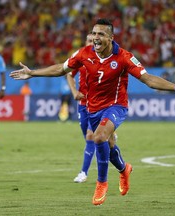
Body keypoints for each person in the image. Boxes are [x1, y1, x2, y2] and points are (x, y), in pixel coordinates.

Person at [9, 19, 175, 205]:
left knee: (99, 137)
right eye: (93, 33)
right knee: (109, 147)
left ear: (111, 38)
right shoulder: (84, 53)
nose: (95, 37)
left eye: (100, 34)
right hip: (92, 108)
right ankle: (124, 169)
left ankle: (101, 183)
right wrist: (32, 73)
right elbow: (61, 69)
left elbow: (148, 79)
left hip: (116, 106)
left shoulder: (125, 57)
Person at [67, 34, 118, 183]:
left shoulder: (106, 59)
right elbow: (69, 74)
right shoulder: (81, 57)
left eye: (94, 40)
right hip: (84, 105)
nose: (93, 42)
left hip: (100, 105)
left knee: (91, 136)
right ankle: (111, 137)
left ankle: (84, 172)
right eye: (89, 40)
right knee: (93, 140)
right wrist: (74, 91)